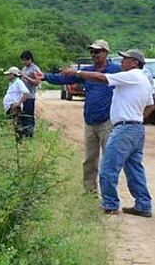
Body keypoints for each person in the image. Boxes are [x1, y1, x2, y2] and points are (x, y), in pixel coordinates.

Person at [61, 50, 155, 216]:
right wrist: (138, 117)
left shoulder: (131, 75)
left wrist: (77, 73)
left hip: (124, 128)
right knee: (134, 169)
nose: (122, 62)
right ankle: (143, 205)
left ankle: (110, 204)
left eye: (125, 59)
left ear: (135, 63)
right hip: (137, 128)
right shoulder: (145, 80)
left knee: (108, 168)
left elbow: (101, 78)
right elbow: (150, 105)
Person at [40, 40, 121, 193]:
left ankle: (109, 194)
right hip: (90, 121)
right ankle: (89, 191)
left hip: (107, 121)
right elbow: (65, 78)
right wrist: (45, 76)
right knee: (90, 159)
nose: (94, 54)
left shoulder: (115, 70)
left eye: (97, 51)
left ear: (106, 52)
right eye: (92, 52)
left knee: (109, 159)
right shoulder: (87, 71)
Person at [3, 66, 30, 140]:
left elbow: (26, 93)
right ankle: (16, 140)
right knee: (13, 125)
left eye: (9, 74)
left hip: (15, 107)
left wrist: (18, 103)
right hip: (10, 107)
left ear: (13, 74)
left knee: (17, 125)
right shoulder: (12, 83)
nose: (8, 76)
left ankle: (19, 141)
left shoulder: (18, 82)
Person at [20, 50, 42, 137]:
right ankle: (24, 132)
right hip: (23, 96)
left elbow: (37, 82)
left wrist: (26, 77)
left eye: (25, 60)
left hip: (30, 96)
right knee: (23, 115)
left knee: (29, 115)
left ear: (30, 59)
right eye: (23, 60)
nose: (24, 62)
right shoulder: (24, 68)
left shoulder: (35, 69)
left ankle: (30, 133)